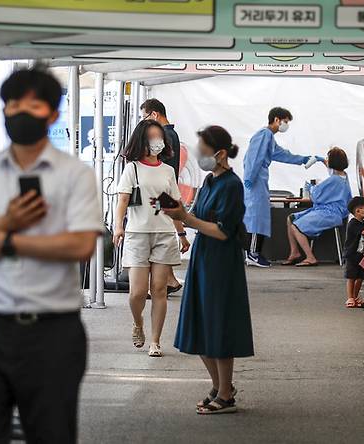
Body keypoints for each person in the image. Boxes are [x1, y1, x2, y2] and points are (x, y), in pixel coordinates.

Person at [0, 68, 103, 443]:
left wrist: (3, 242)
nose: (20, 112)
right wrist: (8, 220)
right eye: (13, 104)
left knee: (52, 434)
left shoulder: (74, 175)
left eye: (32, 104)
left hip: (52, 331)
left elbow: (80, 246)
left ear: (52, 114)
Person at [164, 125, 254, 415]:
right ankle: (220, 387)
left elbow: (223, 231)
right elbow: (199, 216)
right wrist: (179, 210)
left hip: (221, 260)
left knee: (218, 325)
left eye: (203, 151)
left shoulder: (232, 185)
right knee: (201, 323)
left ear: (221, 153)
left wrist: (186, 219)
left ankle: (225, 392)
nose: (200, 155)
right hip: (203, 258)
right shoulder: (208, 180)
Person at [113, 119, 190, 357]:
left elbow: (173, 206)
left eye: (159, 137)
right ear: (142, 141)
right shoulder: (132, 168)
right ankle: (138, 323)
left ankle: (155, 341)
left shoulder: (168, 171)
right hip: (137, 234)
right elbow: (123, 200)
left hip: (164, 235)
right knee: (137, 293)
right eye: (152, 137)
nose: (157, 141)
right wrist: (118, 227)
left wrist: (181, 233)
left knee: (159, 289)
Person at [243, 107, 322, 268]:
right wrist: (250, 177)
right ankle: (252, 254)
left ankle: (255, 252)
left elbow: (283, 155)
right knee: (256, 217)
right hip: (255, 179)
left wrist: (304, 159)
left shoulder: (269, 138)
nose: (286, 125)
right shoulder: (264, 135)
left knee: (260, 216)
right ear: (276, 119)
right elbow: (254, 158)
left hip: (260, 179)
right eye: (285, 121)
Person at [140, 98, 184, 294]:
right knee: (163, 234)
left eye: (145, 117)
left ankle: (168, 280)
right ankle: (170, 279)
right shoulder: (171, 134)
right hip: (164, 189)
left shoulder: (165, 135)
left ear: (154, 115)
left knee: (159, 236)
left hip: (161, 190)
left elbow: (156, 161)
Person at [283, 147, 352, 267]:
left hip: (329, 213)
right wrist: (320, 160)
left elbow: (315, 197)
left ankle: (310, 257)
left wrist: (310, 187)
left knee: (295, 225)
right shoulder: (343, 176)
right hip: (333, 212)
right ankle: (294, 253)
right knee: (291, 218)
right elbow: (332, 169)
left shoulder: (333, 180)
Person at [343, 196, 364, 308]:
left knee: (360, 277)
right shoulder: (353, 223)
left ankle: (355, 296)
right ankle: (350, 297)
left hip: (361, 255)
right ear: (358, 211)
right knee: (351, 277)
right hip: (352, 254)